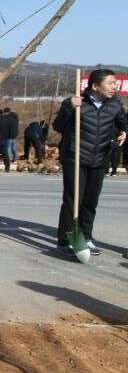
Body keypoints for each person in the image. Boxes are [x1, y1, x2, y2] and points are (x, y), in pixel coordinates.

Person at [54, 69, 126, 259]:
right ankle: (65, 240)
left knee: (90, 202)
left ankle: (86, 237)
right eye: (110, 83)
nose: (114, 86)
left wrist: (124, 132)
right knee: (73, 201)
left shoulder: (115, 105)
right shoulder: (77, 103)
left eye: (115, 83)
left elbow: (123, 123)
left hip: (100, 159)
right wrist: (69, 107)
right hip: (76, 159)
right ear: (95, 86)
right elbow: (57, 126)